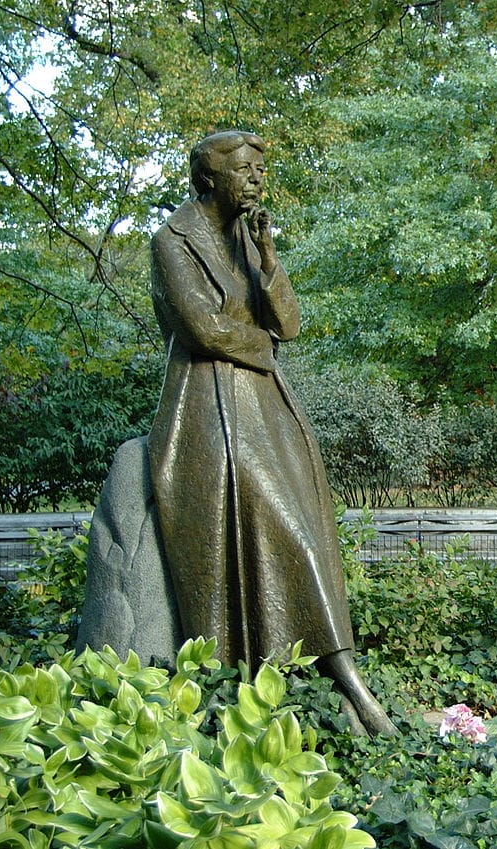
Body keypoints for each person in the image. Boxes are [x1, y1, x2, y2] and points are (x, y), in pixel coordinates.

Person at [149, 130, 396, 735]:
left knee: (307, 532)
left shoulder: (248, 238)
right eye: (244, 169)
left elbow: (288, 323)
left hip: (264, 404)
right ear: (208, 178)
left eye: (261, 168)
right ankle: (346, 684)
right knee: (286, 532)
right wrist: (262, 345)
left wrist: (268, 256)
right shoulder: (171, 240)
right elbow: (203, 330)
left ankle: (337, 678)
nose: (258, 179)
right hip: (207, 409)